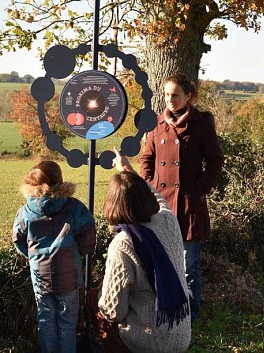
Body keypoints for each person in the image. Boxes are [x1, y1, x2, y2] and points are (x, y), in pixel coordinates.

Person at [139, 72, 225, 323]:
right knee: (160, 264)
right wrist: (149, 187)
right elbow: (147, 158)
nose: (170, 99)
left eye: (175, 95)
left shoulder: (202, 124)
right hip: (160, 206)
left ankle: (190, 318)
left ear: (189, 96)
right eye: (166, 94)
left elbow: (215, 161)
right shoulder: (157, 124)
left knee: (189, 267)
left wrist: (199, 187)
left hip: (188, 205)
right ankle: (164, 316)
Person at [86, 150, 191, 352]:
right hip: (181, 335)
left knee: (93, 301)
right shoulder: (168, 220)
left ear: (112, 205)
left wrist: (98, 294)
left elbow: (113, 311)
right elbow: (157, 197)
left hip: (148, 343)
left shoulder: (123, 244)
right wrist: (127, 169)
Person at [13, 160, 96, 353]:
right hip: (68, 275)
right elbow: (88, 236)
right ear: (59, 180)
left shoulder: (25, 212)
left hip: (40, 276)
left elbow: (18, 241)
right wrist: (77, 254)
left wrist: (33, 257)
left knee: (45, 321)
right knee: (67, 323)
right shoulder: (74, 208)